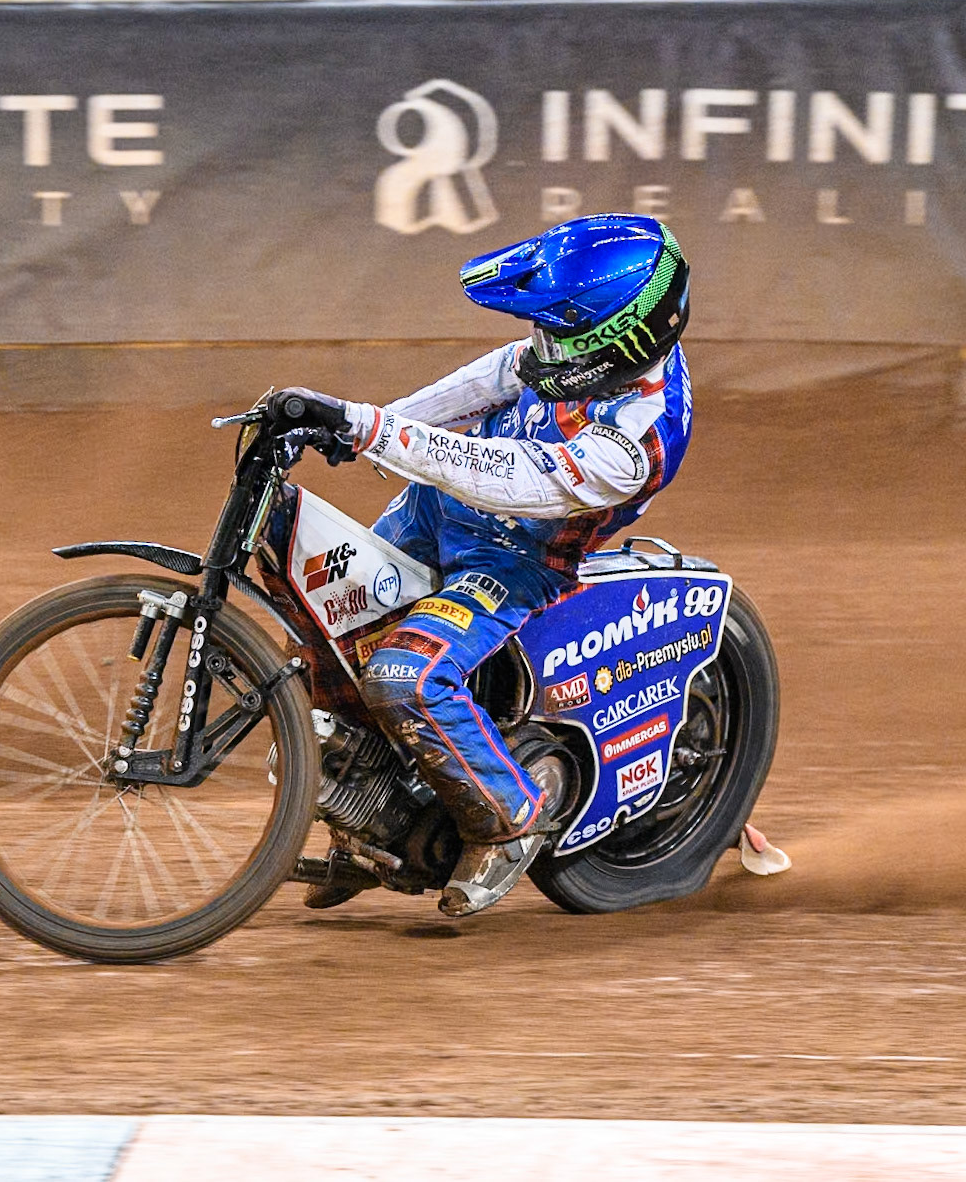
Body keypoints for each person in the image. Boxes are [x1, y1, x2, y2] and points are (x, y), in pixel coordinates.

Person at [269, 212, 693, 917]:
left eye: (557, 333)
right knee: (325, 628)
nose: (539, 345)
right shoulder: (581, 347)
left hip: (514, 558)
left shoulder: (639, 439)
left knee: (403, 677)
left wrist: (373, 428)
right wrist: (367, 424)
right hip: (433, 512)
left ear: (614, 341)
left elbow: (503, 475)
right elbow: (490, 381)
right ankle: (369, 812)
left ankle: (508, 817)